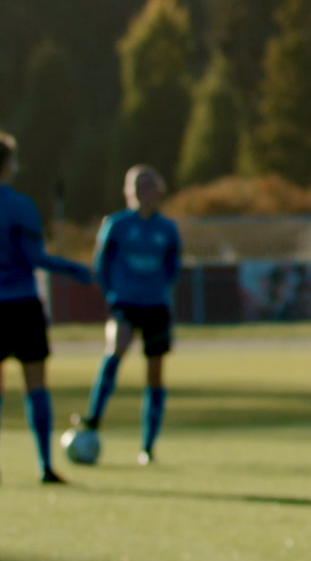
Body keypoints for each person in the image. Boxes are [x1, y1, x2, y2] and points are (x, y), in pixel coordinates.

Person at [0, 131, 95, 484]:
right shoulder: (21, 206)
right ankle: (43, 465)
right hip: (22, 305)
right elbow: (34, 257)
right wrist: (74, 268)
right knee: (35, 387)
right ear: (9, 164)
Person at [74, 165, 181, 465]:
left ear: (158, 190)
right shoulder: (117, 225)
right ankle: (93, 419)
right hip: (125, 303)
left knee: (155, 373)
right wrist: (111, 294)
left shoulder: (167, 229)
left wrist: (159, 289)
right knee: (115, 351)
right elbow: (102, 263)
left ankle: (147, 446)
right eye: (136, 185)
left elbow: (173, 266)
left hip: (156, 306)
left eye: (147, 185)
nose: (141, 191)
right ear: (127, 191)